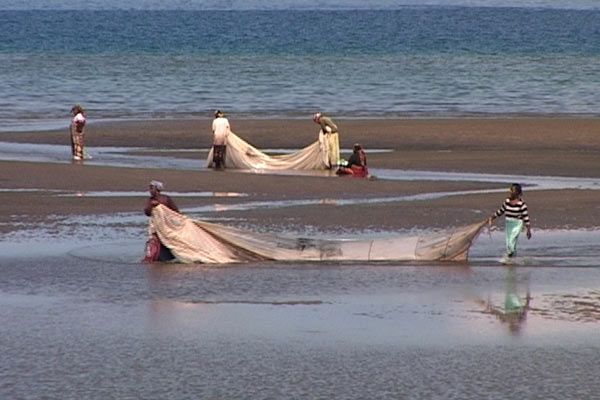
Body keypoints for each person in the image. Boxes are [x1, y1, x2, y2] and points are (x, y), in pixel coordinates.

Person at [488, 183, 532, 262]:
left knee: (512, 240)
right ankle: (512, 258)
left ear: (517, 193)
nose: (510, 191)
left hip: (517, 223)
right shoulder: (507, 201)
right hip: (509, 223)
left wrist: (528, 230)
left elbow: (526, 217)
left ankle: (509, 256)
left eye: (512, 190)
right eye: (510, 190)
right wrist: (493, 217)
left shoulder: (521, 204)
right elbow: (501, 211)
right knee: (508, 242)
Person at [143, 180, 179, 262]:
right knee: (157, 242)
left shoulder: (166, 199)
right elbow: (147, 212)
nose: (150, 191)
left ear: (157, 189)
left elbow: (176, 212)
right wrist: (151, 206)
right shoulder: (151, 200)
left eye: (152, 188)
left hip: (166, 226)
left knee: (167, 243)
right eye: (149, 188)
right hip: (156, 227)